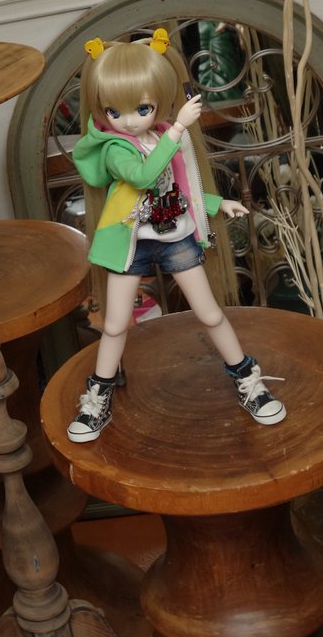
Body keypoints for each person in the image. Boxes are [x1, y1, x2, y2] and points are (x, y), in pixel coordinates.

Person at [65, 30, 287, 443]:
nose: (129, 121)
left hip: (176, 237)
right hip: (132, 242)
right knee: (115, 324)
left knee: (210, 314)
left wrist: (218, 203)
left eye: (142, 108)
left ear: (159, 101)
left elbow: (180, 190)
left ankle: (247, 378)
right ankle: (99, 395)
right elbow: (143, 177)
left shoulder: (161, 135)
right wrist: (179, 128)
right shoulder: (116, 147)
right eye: (114, 111)